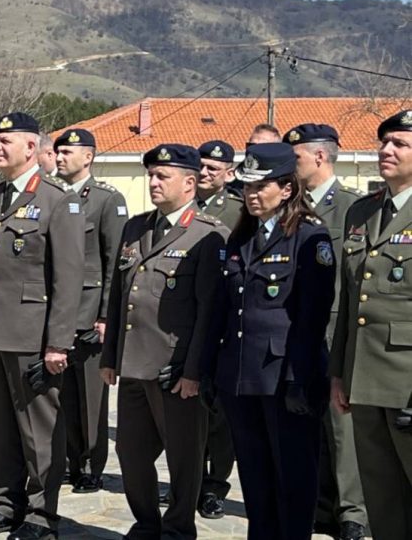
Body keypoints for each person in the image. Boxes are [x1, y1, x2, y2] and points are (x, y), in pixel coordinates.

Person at [202, 142, 335, 540]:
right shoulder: (242, 237)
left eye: (261, 186)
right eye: (247, 187)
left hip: (284, 378)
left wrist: (299, 379)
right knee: (256, 478)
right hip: (241, 377)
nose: (252, 195)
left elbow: (312, 317)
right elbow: (224, 310)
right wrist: (210, 369)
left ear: (287, 189)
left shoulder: (309, 236)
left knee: (293, 479)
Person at [0, 114, 85, 540]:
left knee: (39, 431)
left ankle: (40, 515)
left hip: (34, 334)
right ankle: (5, 504)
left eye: (6, 141)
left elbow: (68, 279)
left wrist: (58, 342)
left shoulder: (58, 200)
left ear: (31, 147)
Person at [100, 144, 228, 540]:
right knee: (131, 452)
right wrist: (110, 356)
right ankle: (145, 523)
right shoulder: (136, 227)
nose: (153, 182)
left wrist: (194, 371)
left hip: (175, 370)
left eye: (162, 176)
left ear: (189, 183)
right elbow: (119, 296)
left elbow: (210, 312)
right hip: (134, 364)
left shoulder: (208, 234)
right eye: (151, 175)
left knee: (184, 457)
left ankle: (177, 529)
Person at [330, 110, 412, 540]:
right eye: (384, 142)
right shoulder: (362, 211)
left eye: (400, 144)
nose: (386, 150)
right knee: (381, 496)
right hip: (364, 378)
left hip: (407, 380)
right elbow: (349, 303)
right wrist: (339, 374)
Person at [284, 123, 367, 540]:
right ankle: (319, 504)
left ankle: (353, 511)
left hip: (336, 330)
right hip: (296, 331)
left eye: (295, 157)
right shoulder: (288, 206)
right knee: (306, 421)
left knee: (341, 426)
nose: (289, 165)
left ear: (319, 156)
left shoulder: (353, 208)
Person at [53, 128, 127, 495]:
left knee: (89, 397)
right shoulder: (52, 196)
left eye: (68, 152)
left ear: (88, 156)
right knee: (63, 395)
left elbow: (115, 261)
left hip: (89, 312)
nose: (60, 157)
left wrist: (105, 315)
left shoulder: (106, 200)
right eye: (57, 151)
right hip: (58, 315)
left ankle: (90, 465)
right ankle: (70, 459)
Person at [188, 139, 242, 519]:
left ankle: (214, 486)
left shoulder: (239, 210)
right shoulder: (183, 205)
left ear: (230, 173)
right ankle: (189, 480)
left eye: (213, 168)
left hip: (223, 320)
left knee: (220, 415)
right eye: (201, 166)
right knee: (189, 411)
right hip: (187, 318)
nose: (205, 173)